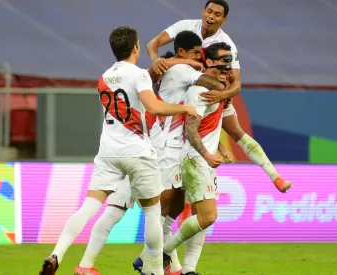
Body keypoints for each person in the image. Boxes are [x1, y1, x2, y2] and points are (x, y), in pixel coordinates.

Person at [38, 26, 198, 275]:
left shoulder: (103, 78)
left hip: (108, 152)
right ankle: (155, 270)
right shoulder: (139, 75)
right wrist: (185, 108)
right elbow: (153, 107)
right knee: (153, 213)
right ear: (135, 48)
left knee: (89, 206)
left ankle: (57, 254)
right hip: (137, 152)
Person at [74, 30, 226, 275]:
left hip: (158, 149)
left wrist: (179, 60)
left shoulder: (170, 72)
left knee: (171, 208)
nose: (201, 59)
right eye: (196, 53)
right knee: (138, 209)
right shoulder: (181, 72)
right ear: (181, 52)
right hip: (153, 151)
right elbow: (214, 84)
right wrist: (226, 86)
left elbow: (160, 67)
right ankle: (143, 265)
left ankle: (168, 266)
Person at [146, 0, 292, 192]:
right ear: (203, 11)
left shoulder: (228, 45)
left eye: (216, 14)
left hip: (212, 93)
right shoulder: (185, 27)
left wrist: (222, 95)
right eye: (209, 11)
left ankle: (275, 177)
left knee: (236, 131)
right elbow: (152, 44)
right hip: (190, 89)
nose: (211, 17)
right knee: (187, 130)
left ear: (224, 20)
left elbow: (236, 83)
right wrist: (157, 60)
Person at [161, 43, 234, 275]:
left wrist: (220, 147)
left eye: (230, 61)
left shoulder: (219, 90)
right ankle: (161, 252)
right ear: (209, 62)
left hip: (204, 159)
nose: (227, 66)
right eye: (223, 61)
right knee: (208, 216)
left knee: (198, 216)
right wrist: (207, 154)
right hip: (195, 158)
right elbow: (190, 129)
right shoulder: (200, 90)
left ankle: (189, 269)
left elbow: (205, 127)